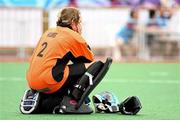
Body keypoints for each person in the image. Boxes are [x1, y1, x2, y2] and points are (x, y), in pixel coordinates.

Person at [20, 7, 112, 114]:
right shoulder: (73, 35)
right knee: (98, 65)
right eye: (79, 22)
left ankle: (41, 97)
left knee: (62, 68)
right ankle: (73, 100)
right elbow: (88, 59)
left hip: (32, 81)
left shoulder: (48, 32)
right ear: (73, 22)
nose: (80, 25)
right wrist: (78, 36)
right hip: (49, 80)